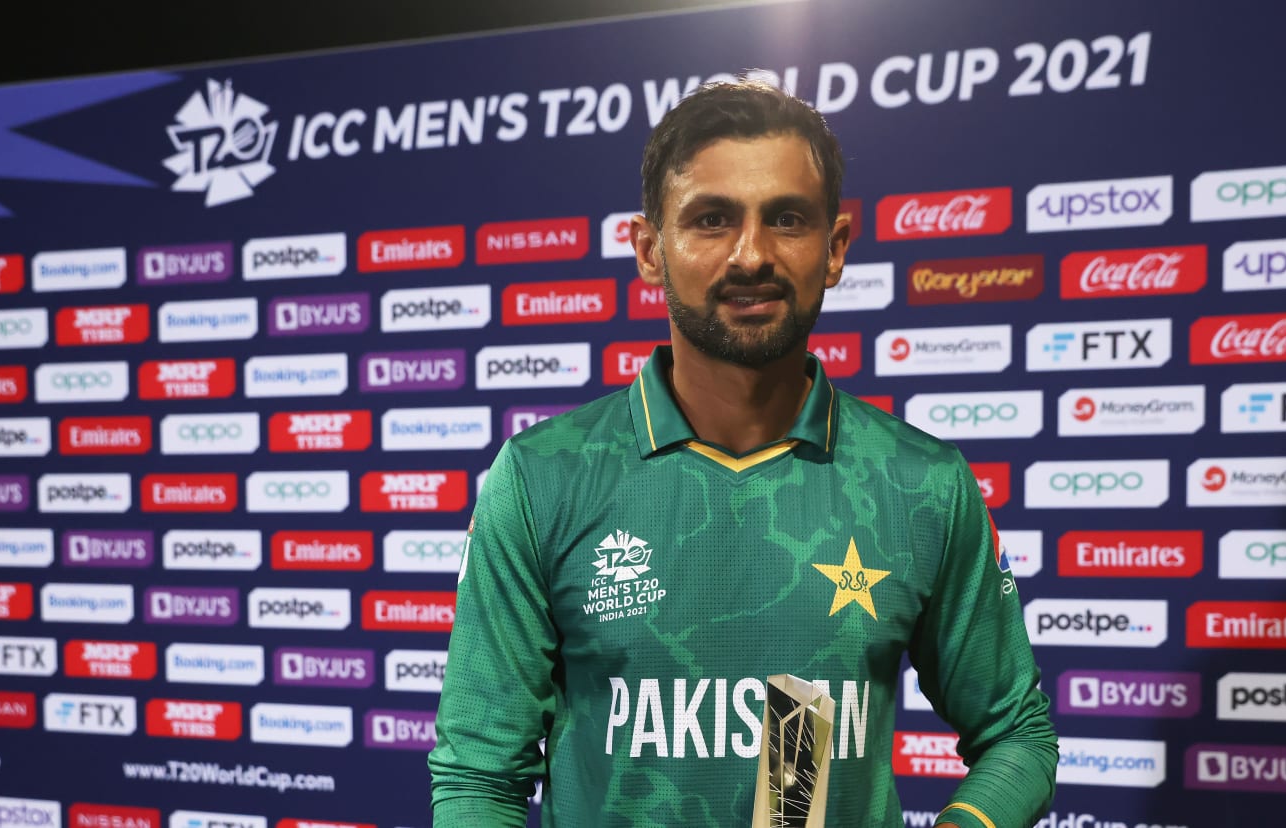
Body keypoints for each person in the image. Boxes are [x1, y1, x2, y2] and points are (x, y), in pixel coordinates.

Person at [429, 78, 1057, 828]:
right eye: (711, 220)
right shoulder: (541, 478)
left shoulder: (922, 482)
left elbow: (1018, 737)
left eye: (786, 219)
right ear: (649, 251)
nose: (751, 254)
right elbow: (478, 780)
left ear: (835, 248)